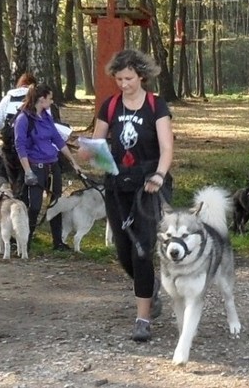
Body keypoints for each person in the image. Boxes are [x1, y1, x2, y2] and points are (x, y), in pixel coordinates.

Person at [78, 49, 174, 342]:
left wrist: (158, 175)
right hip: (117, 184)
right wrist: (82, 151)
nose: (123, 84)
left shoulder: (156, 106)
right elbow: (96, 144)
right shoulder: (110, 107)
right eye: (119, 79)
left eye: (129, 78)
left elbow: (167, 148)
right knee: (124, 253)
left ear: (141, 76)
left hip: (148, 185)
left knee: (142, 250)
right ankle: (150, 287)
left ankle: (142, 319)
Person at [14, 83, 81, 253]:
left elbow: (58, 140)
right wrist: (28, 171)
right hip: (35, 166)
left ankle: (58, 241)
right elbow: (20, 146)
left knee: (56, 203)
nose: (52, 102)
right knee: (35, 206)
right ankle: (25, 243)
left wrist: (73, 161)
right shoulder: (23, 119)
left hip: (52, 165)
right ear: (42, 99)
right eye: (50, 98)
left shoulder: (46, 116)